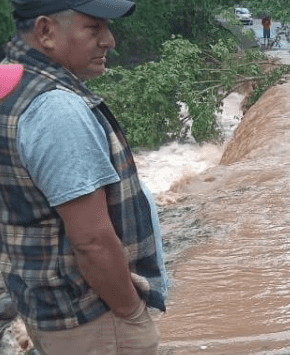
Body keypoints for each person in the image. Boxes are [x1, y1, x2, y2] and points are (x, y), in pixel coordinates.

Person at [0, 0, 167, 354]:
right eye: (94, 28)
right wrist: (131, 312)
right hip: (93, 320)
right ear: (45, 31)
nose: (110, 41)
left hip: (43, 307)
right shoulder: (56, 109)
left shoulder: (9, 81)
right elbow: (91, 241)